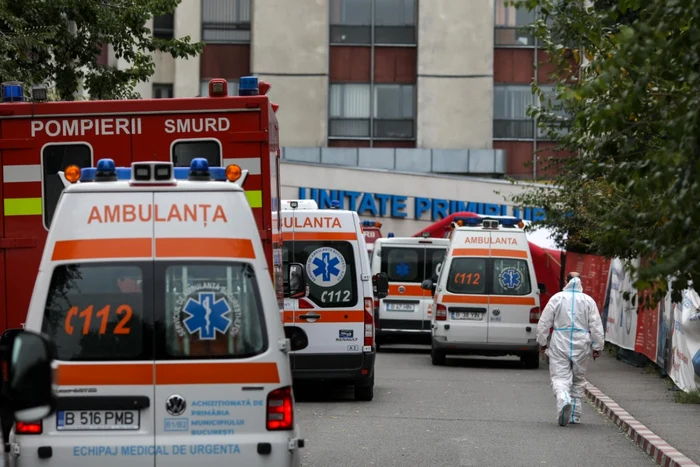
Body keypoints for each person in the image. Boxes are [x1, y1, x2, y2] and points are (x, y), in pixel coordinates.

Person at [537, 272, 605, 426]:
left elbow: (544, 322)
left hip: (560, 341)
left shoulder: (557, 298)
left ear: (566, 281)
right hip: (581, 343)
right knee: (578, 378)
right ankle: (574, 414)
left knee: (560, 376)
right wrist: (597, 346)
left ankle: (564, 399)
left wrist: (542, 342)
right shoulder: (588, 301)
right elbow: (596, 325)